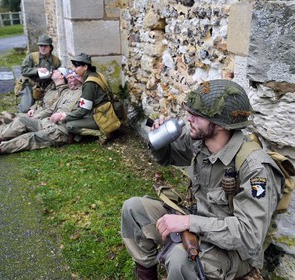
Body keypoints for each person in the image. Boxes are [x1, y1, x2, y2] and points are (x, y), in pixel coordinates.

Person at [120, 79, 285, 279]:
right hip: (197, 221)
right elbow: (169, 156)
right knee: (134, 209)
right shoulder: (200, 142)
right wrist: (159, 139)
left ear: (221, 125)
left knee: (180, 259)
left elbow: (249, 235)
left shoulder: (254, 168)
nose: (189, 118)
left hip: (233, 250)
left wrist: (189, 222)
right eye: (190, 111)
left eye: (197, 115)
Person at [0, 68, 83, 159]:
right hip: (45, 121)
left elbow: (81, 113)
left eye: (73, 77)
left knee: (27, 137)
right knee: (18, 120)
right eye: (70, 77)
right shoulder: (65, 92)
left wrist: (63, 117)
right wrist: (33, 110)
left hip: (59, 130)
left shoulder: (80, 93)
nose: (71, 80)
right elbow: (49, 107)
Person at [0, 68, 74, 133]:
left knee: (9, 118)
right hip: (35, 114)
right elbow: (41, 101)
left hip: (40, 119)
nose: (53, 71)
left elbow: (52, 109)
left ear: (61, 77)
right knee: (5, 116)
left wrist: (35, 117)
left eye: (58, 71)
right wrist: (32, 108)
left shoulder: (63, 92)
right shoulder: (51, 87)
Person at [51, 53, 111, 144]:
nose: (73, 69)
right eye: (73, 66)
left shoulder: (89, 83)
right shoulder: (96, 75)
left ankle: (102, 133)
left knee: (70, 125)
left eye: (76, 66)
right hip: (105, 112)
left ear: (85, 67)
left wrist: (64, 116)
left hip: (102, 116)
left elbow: (84, 110)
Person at [18, 34, 62, 113]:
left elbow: (58, 76)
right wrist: (37, 70)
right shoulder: (31, 57)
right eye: (41, 45)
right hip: (30, 85)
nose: (43, 48)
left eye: (45, 46)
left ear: (50, 47)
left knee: (47, 108)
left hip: (47, 87)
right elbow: (23, 70)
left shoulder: (56, 61)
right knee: (25, 109)